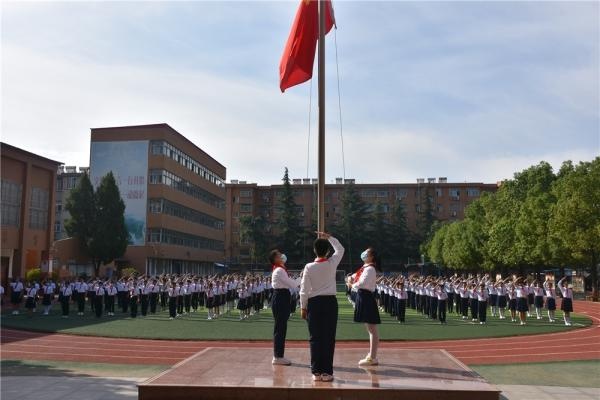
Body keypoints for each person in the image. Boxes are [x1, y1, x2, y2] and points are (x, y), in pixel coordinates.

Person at [300, 232, 344, 382]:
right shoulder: (332, 263)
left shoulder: (308, 267)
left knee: (315, 338)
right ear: (327, 252)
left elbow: (304, 289)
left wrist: (303, 307)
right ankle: (327, 372)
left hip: (314, 304)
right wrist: (329, 237)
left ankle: (316, 372)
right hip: (330, 303)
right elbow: (340, 249)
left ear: (314, 250)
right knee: (328, 338)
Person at [351, 247, 381, 366]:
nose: (363, 254)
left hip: (366, 297)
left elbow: (362, 283)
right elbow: (355, 276)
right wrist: (351, 278)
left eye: (366, 253)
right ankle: (372, 355)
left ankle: (372, 358)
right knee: (370, 329)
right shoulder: (365, 268)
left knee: (372, 329)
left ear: (371, 257)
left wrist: (352, 284)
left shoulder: (370, 269)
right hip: (363, 297)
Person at [270, 249, 301, 366]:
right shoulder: (279, 270)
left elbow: (291, 284)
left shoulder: (280, 269)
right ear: (275, 259)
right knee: (280, 328)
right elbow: (292, 284)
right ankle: (278, 356)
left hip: (281, 297)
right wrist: (301, 278)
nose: (282, 256)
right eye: (279, 255)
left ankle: (278, 355)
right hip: (280, 298)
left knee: (281, 327)